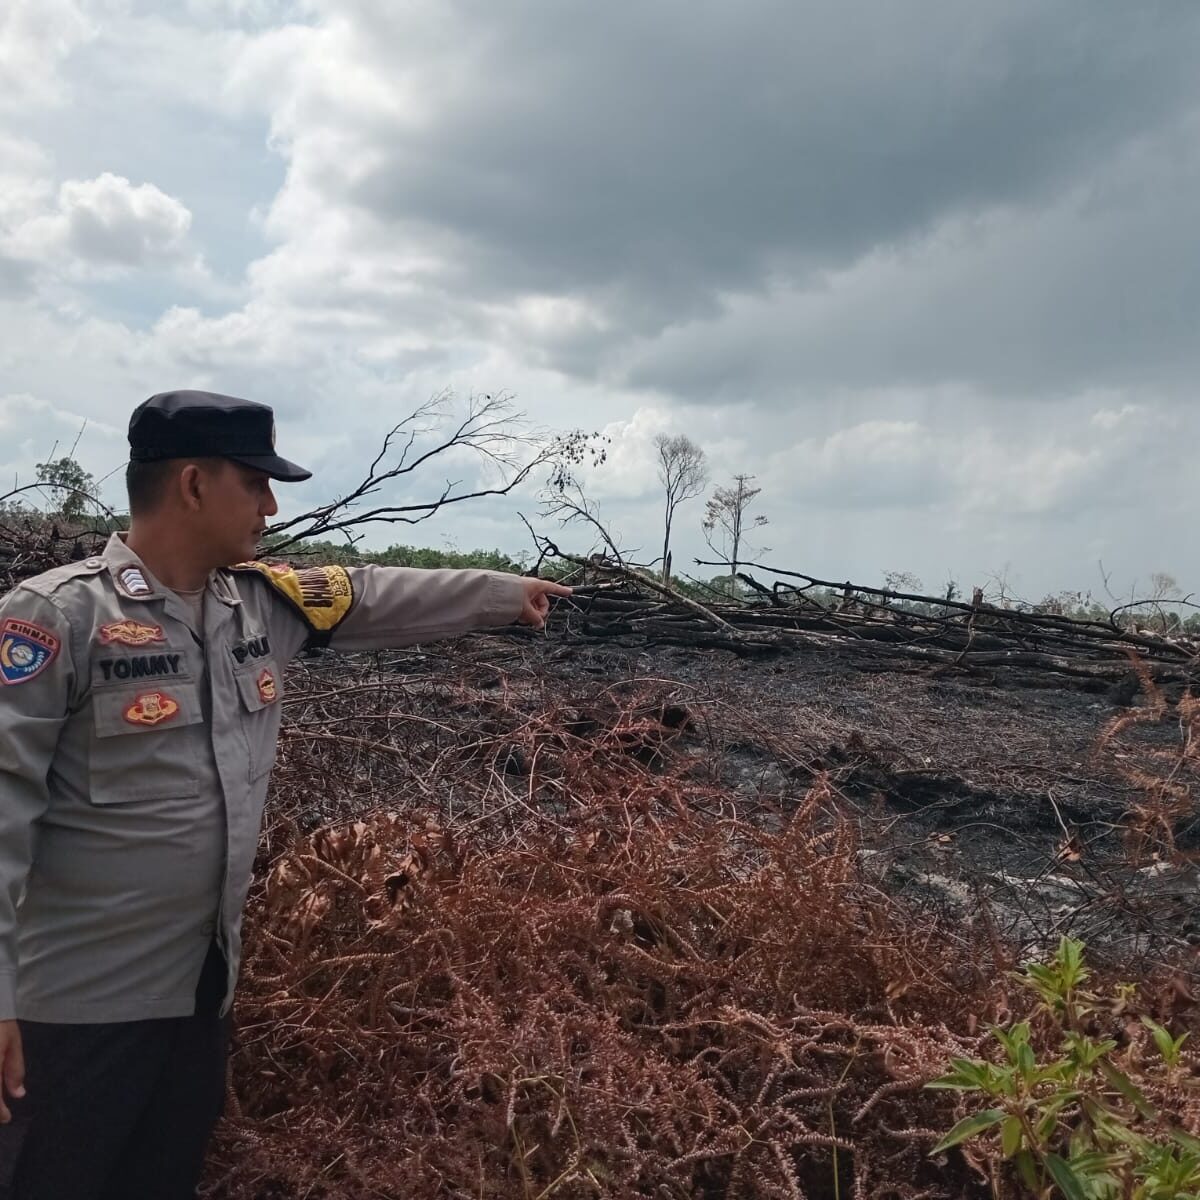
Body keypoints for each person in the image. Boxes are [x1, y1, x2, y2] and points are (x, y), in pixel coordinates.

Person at [0, 390, 570, 1199]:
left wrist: (505, 596)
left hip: (199, 1000)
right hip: (71, 1015)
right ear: (194, 484)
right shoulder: (58, 617)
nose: (271, 505)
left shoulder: (258, 605)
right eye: (257, 482)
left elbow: (373, 593)